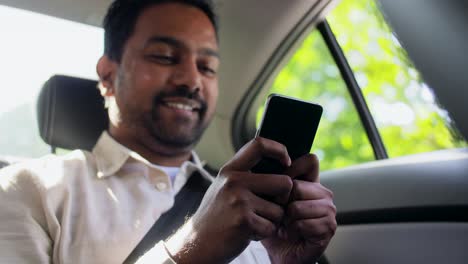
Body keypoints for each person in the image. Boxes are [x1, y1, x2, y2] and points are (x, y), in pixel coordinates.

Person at [0, 0, 337, 263]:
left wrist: (284, 262)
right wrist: (190, 250)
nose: (191, 80)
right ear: (107, 75)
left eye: (207, 67)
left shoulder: (250, 203)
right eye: (164, 56)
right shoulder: (29, 190)